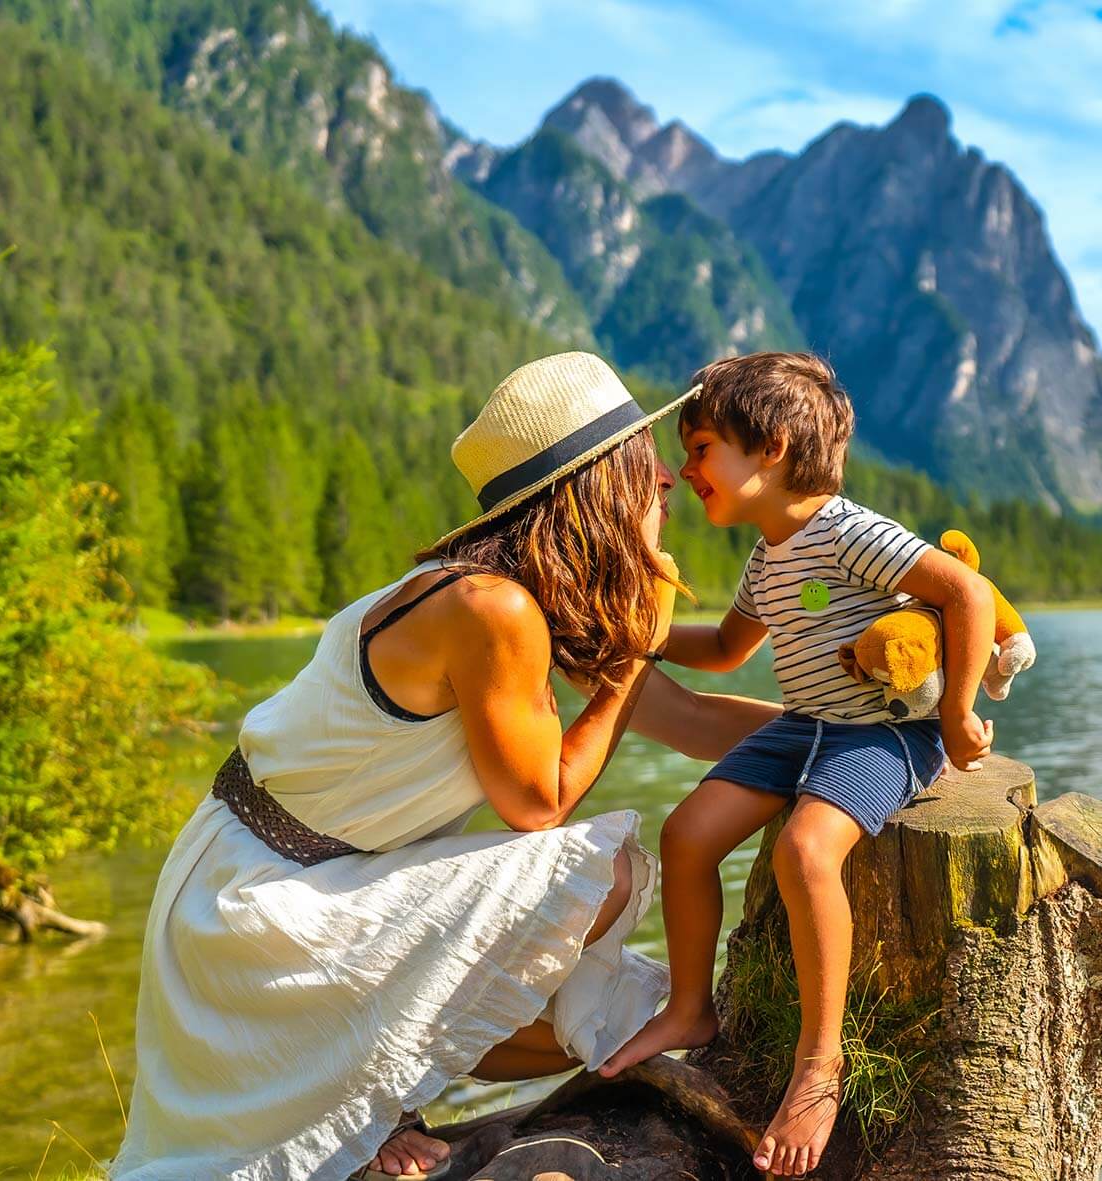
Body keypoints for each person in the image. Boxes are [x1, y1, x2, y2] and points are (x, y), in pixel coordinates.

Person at [112, 353, 780, 1181]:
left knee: (628, 1003)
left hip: (297, 881)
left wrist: (834, 735)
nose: (670, 483)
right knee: (598, 872)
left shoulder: (526, 596)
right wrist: (633, 656)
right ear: (600, 484)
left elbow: (686, 717)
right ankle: (357, 1113)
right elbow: (540, 803)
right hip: (262, 909)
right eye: (646, 464)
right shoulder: (487, 609)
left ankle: (372, 1102)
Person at [595, 352, 997, 1176]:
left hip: (881, 735)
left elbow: (967, 592)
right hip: (808, 726)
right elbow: (723, 650)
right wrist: (631, 630)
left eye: (701, 447)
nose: (685, 469)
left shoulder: (847, 531)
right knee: (687, 833)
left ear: (770, 446)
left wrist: (955, 711)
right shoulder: (768, 558)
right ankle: (690, 1009)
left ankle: (820, 1063)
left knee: (805, 851)